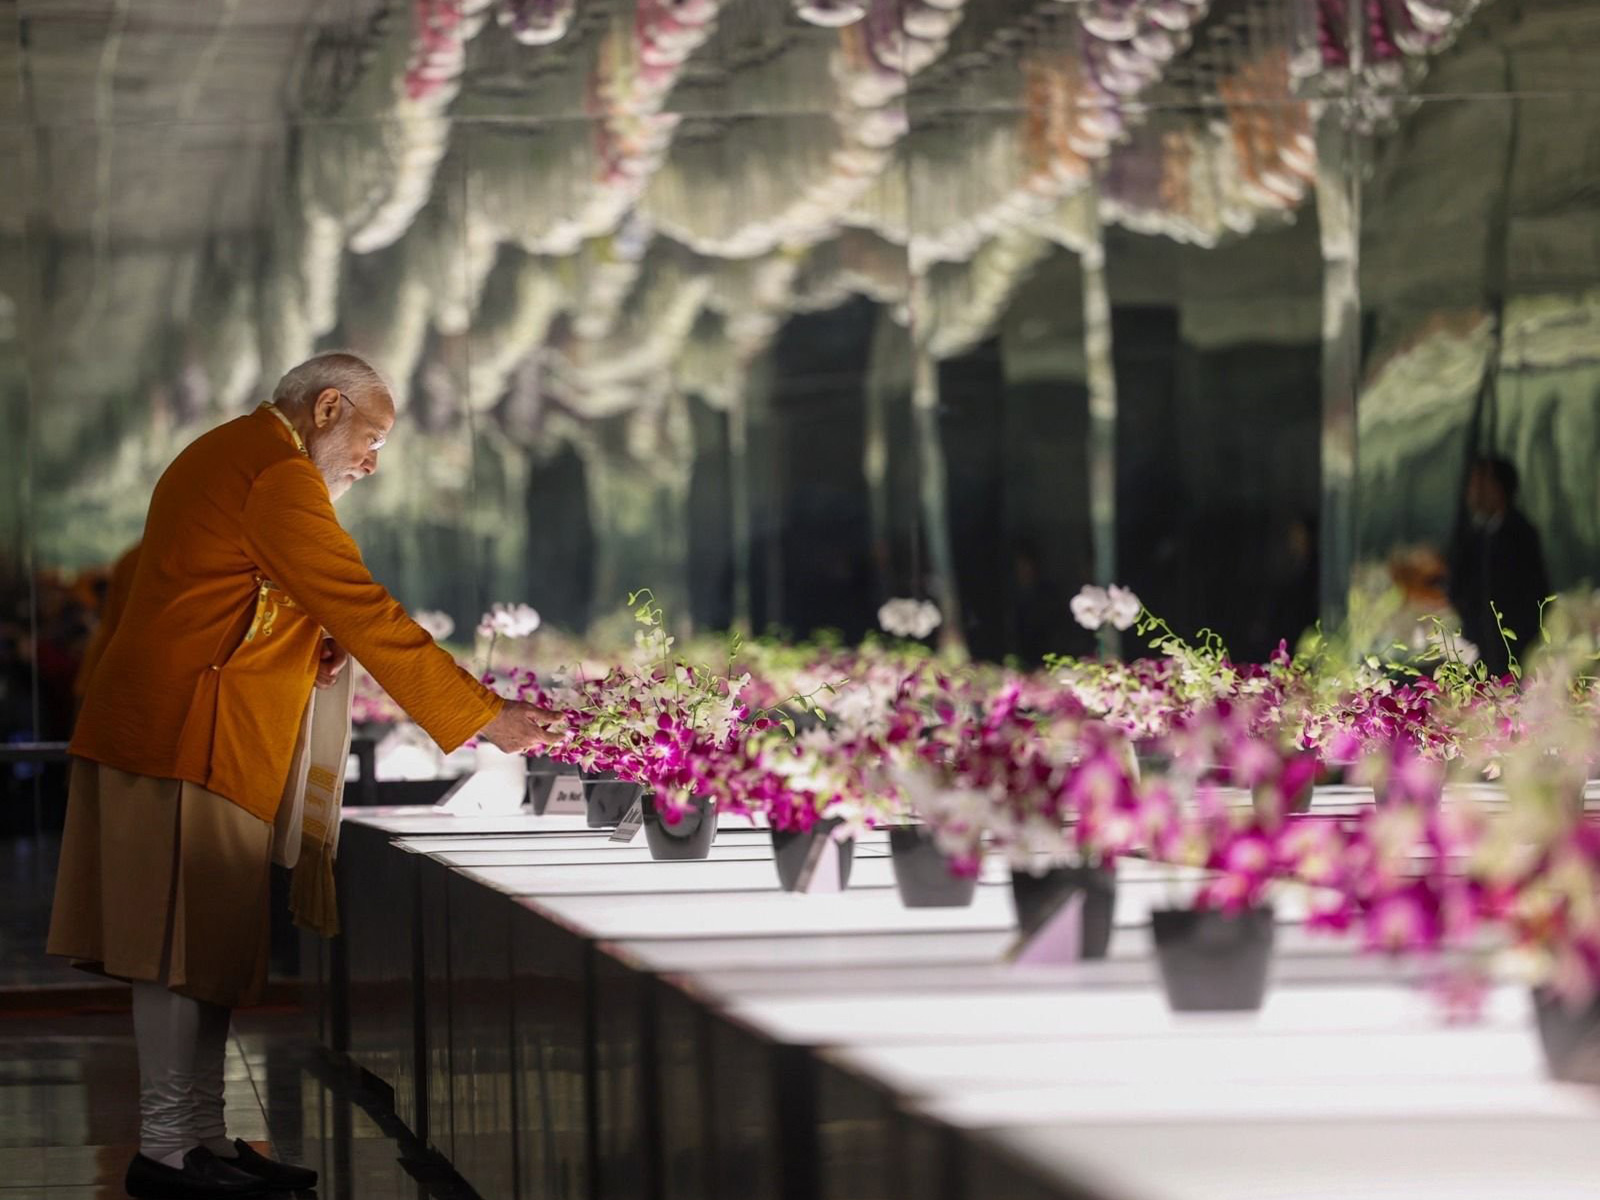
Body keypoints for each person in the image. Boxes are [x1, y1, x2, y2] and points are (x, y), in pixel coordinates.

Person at [47, 352, 559, 1200]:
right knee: (177, 948)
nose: (372, 460)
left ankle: (200, 1138)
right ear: (327, 408)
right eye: (371, 437)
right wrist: (480, 716)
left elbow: (240, 593)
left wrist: (305, 639)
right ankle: (172, 1151)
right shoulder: (278, 476)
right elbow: (359, 604)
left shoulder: (238, 452)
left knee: (199, 946)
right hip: (185, 735)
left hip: (188, 732)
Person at [1448, 456, 1551, 678]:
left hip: (1509, 652)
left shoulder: (1520, 534)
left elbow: (1537, 595)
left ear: (1496, 488)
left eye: (1478, 484)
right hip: (1478, 650)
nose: (1472, 493)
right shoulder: (1476, 535)